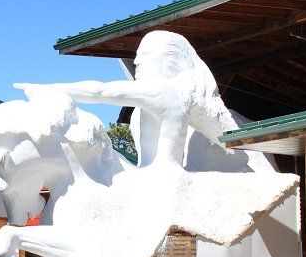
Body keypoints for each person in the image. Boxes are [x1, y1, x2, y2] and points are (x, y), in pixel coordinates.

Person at [14, 30, 237, 168]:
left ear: (168, 59)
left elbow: (102, 91)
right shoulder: (147, 102)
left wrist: (49, 89)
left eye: (146, 55)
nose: (138, 60)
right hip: (146, 173)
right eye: (138, 54)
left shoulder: (167, 91)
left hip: (165, 180)